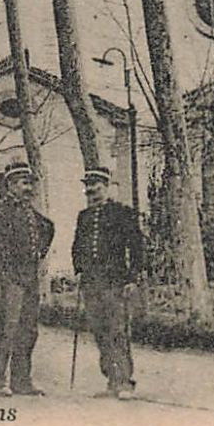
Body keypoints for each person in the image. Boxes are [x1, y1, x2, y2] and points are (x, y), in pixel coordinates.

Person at [0, 159, 55, 397]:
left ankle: (21, 380)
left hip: (29, 278)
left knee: (28, 330)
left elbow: (48, 227)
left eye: (31, 184)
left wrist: (38, 255)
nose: (29, 188)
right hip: (8, 278)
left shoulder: (31, 213)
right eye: (24, 183)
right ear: (11, 184)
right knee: (6, 329)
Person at [72, 165, 146, 399]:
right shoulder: (84, 217)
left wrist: (133, 277)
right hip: (91, 283)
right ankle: (111, 380)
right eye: (88, 189)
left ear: (106, 187)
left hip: (115, 281)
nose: (92, 192)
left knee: (117, 330)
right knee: (99, 331)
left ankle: (124, 381)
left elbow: (136, 247)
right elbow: (77, 246)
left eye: (96, 187)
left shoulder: (122, 213)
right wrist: (79, 269)